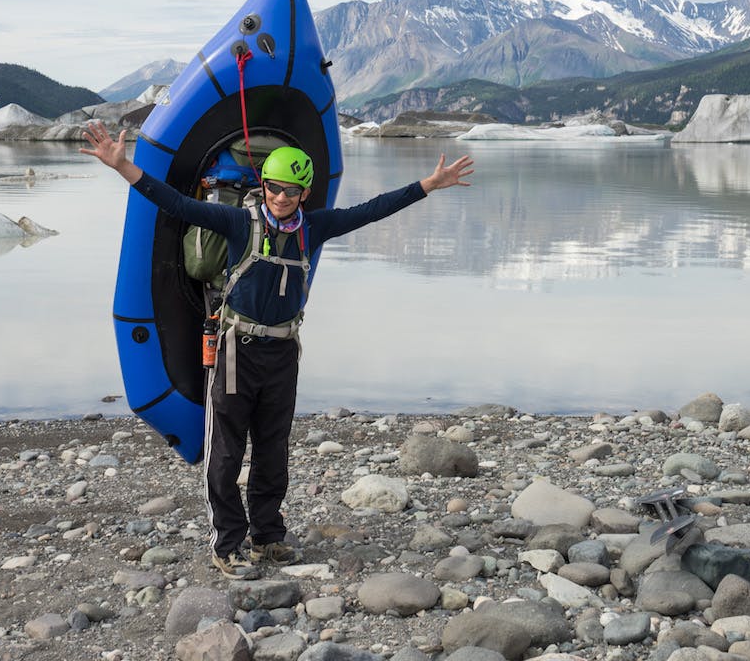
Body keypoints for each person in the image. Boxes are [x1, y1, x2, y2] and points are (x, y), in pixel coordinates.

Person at [81, 122, 473, 578]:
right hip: (234, 350)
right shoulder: (236, 222)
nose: (280, 197)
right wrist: (123, 166)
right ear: (263, 185)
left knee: (273, 450)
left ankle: (267, 536)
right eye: (273, 187)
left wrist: (428, 185)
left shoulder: (315, 228)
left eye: (290, 190)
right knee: (226, 453)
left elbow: (372, 210)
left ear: (304, 192)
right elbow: (176, 203)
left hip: (283, 354)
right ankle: (227, 544)